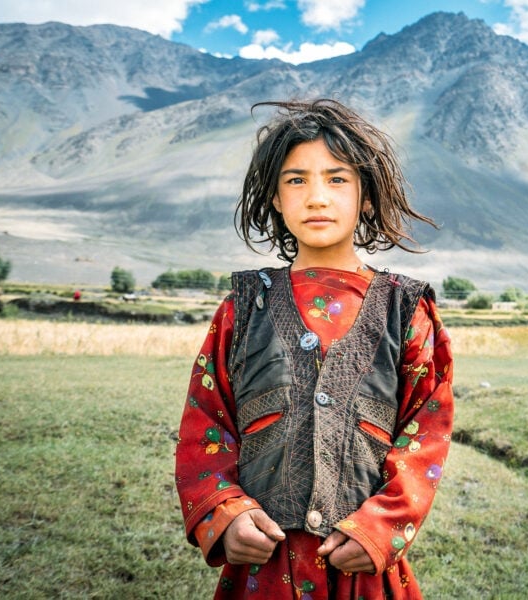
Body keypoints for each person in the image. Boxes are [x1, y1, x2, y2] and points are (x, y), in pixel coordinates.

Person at [175, 98, 454, 599]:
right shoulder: (242, 309)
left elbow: (425, 430)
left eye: (337, 179)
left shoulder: (405, 311)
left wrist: (379, 527)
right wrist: (225, 511)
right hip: (265, 568)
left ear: (366, 196)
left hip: (363, 569)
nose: (317, 197)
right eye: (296, 179)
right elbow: (205, 422)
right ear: (276, 198)